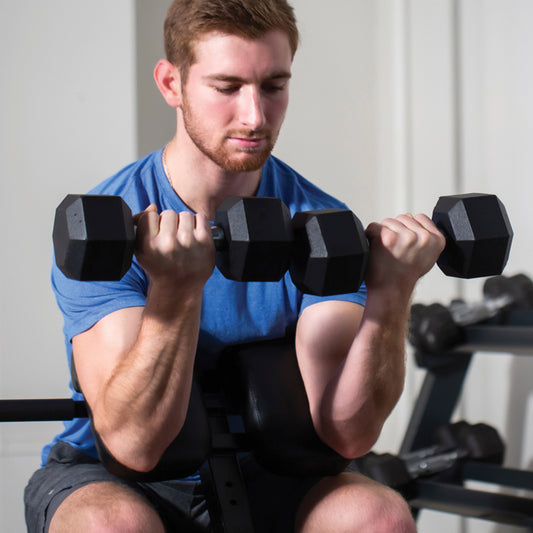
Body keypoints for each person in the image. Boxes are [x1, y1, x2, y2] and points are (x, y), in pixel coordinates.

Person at [25, 1, 445, 531]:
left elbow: (347, 434)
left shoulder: (319, 226)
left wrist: (391, 293)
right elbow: (136, 445)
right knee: (111, 525)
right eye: (227, 87)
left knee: (377, 517)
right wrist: (175, 291)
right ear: (171, 84)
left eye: (273, 86)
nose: (255, 116)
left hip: (266, 469)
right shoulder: (113, 224)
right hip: (111, 473)